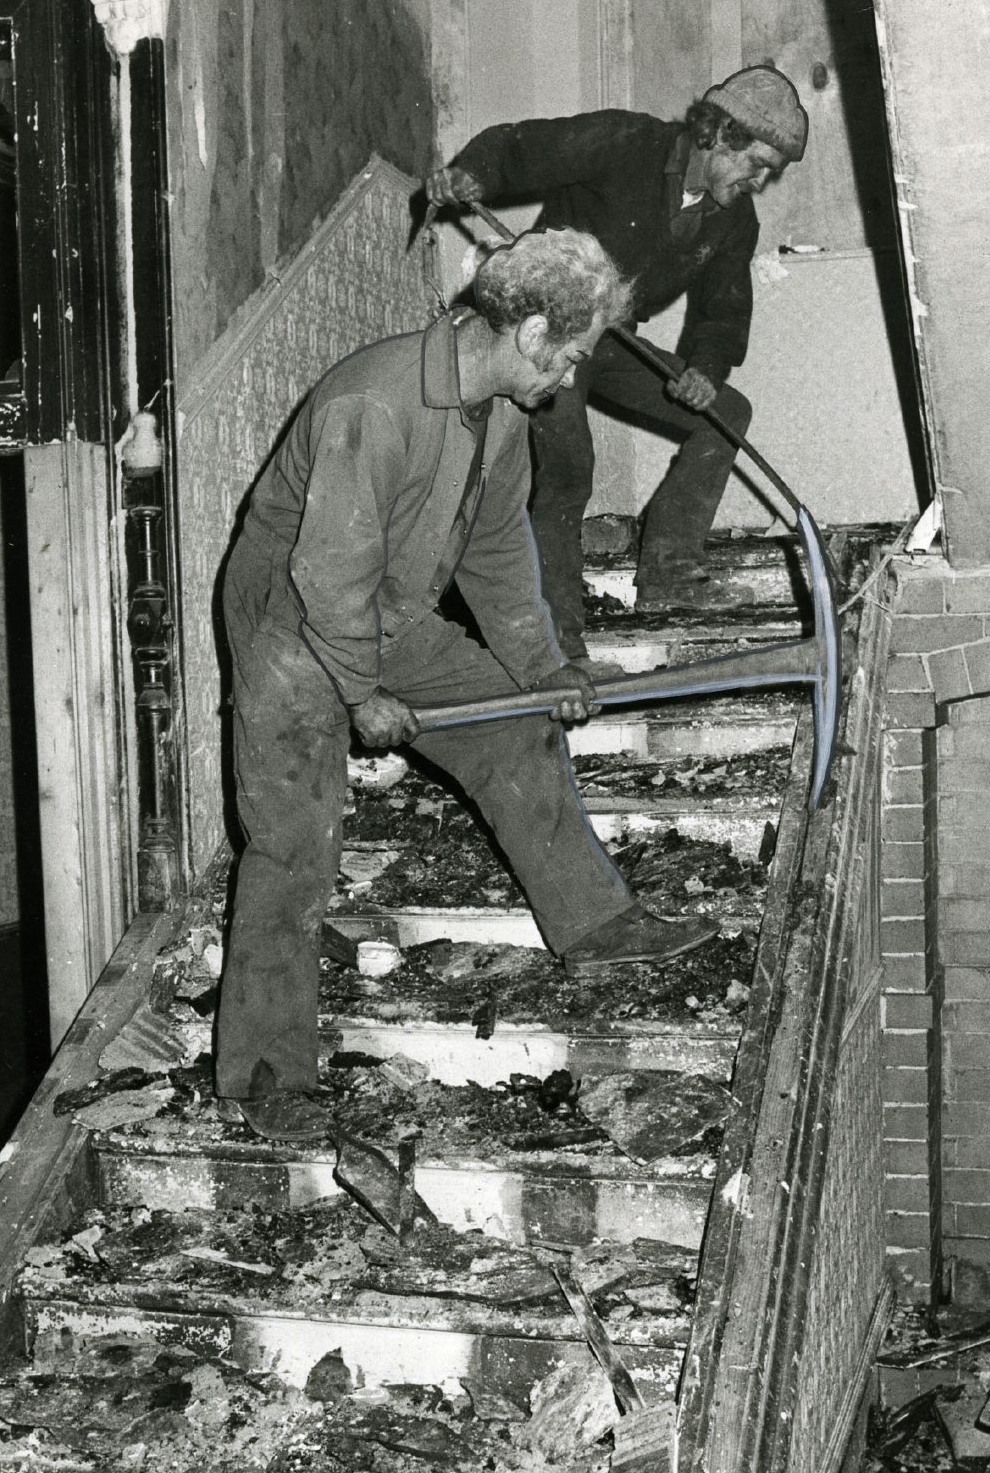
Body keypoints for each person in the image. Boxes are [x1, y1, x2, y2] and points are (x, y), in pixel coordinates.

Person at [214, 228, 721, 1146]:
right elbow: (327, 573)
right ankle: (264, 1076)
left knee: (516, 728)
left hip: (387, 613)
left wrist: (543, 673)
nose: (569, 378)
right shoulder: (377, 400)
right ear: (529, 333)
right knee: (294, 841)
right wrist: (361, 693)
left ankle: (596, 921)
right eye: (566, 357)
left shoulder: (502, 419)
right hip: (291, 624)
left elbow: (495, 553)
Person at [426, 67, 808, 658]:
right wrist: (471, 174)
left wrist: (706, 370)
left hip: (613, 339)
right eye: (757, 164)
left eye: (769, 173)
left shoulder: (733, 220)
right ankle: (559, 639)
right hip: (548, 330)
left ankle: (670, 573)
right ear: (719, 135)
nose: (760, 181)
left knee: (726, 412)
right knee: (570, 465)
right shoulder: (627, 142)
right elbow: (524, 147)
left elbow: (723, 312)